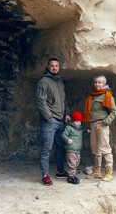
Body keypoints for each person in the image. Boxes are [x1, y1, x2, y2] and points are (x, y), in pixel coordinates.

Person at [36, 58, 70, 186]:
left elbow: (64, 100)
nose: (54, 68)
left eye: (56, 66)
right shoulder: (43, 82)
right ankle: (45, 175)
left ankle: (60, 171)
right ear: (48, 67)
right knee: (47, 148)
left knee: (61, 146)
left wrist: (67, 114)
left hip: (61, 120)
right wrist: (48, 117)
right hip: (49, 121)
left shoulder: (60, 82)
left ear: (59, 67)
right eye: (52, 66)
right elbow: (40, 101)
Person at [82, 75, 116, 182]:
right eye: (96, 82)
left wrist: (105, 122)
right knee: (95, 148)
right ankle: (97, 172)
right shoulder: (92, 96)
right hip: (93, 124)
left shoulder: (108, 96)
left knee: (105, 148)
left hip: (102, 125)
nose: (97, 84)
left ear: (104, 84)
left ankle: (108, 172)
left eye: (99, 83)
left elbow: (114, 112)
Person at [62, 111, 90, 185]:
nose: (79, 123)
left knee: (77, 163)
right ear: (73, 121)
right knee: (72, 163)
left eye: (80, 122)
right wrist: (67, 139)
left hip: (77, 150)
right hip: (71, 149)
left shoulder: (80, 129)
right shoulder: (69, 127)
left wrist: (87, 133)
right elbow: (63, 135)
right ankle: (71, 177)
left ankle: (71, 174)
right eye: (77, 121)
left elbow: (82, 136)